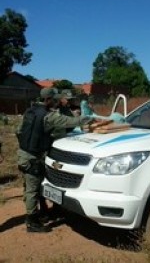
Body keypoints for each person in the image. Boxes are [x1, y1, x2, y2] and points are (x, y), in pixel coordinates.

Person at [17, 87, 93, 233]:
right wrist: (88, 118)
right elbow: (71, 122)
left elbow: (19, 131)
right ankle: (32, 222)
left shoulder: (30, 111)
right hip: (33, 157)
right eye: (55, 99)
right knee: (33, 189)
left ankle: (38, 215)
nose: (57, 102)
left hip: (23, 154)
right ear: (48, 99)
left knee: (28, 187)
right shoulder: (48, 116)